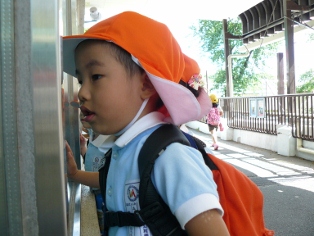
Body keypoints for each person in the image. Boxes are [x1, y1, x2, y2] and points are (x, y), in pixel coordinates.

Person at [63, 11, 229, 236]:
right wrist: (75, 175)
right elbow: (113, 182)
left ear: (146, 85)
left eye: (95, 77)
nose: (82, 92)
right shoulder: (125, 148)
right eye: (81, 80)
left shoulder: (171, 156)